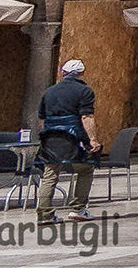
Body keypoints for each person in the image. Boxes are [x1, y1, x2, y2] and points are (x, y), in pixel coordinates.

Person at [36, 59, 98, 224]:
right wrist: (92, 139)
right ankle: (78, 208)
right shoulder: (85, 90)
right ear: (81, 73)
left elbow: (41, 119)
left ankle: (44, 214)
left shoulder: (48, 92)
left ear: (63, 72)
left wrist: (47, 136)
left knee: (49, 175)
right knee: (86, 169)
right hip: (73, 139)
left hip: (50, 139)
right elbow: (86, 117)